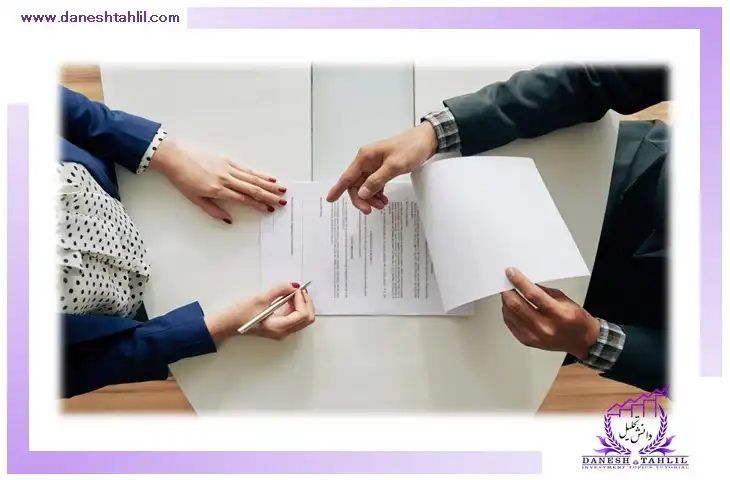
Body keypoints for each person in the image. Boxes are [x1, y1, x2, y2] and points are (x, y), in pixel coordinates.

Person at [327, 65, 668, 393]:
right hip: (600, 166)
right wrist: (435, 132)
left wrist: (594, 341)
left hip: (600, 306)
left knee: (441, 357)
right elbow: (600, 74)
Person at [60, 87, 316, 399]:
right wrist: (219, 327)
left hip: (120, 172)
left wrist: (165, 154)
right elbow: (78, 369)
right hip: (139, 316)